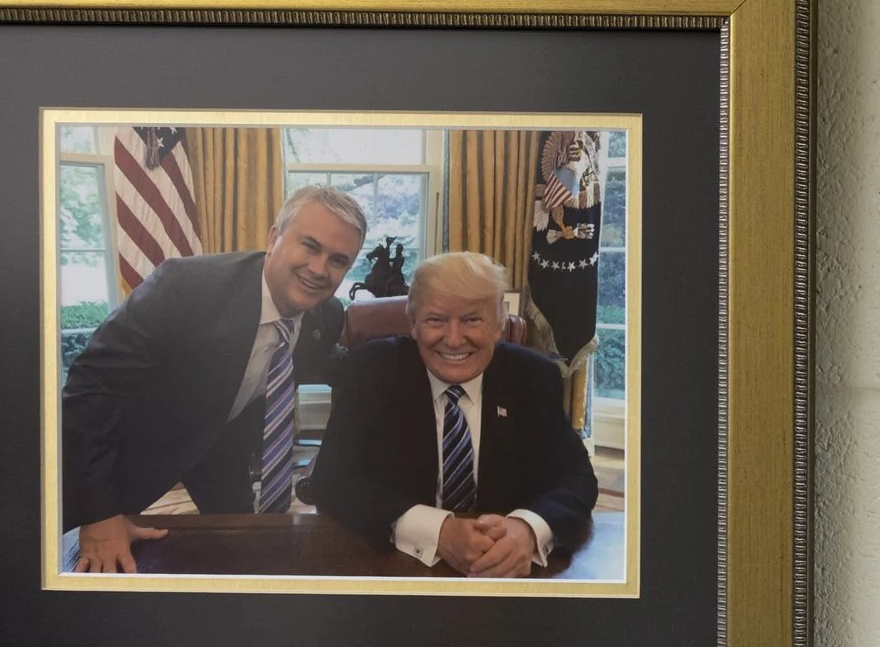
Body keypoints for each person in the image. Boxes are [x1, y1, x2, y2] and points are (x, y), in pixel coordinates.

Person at [62, 185, 363, 573]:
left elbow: (329, 364)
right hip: (104, 465)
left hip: (217, 458)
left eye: (338, 260)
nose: (320, 269)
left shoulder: (325, 316)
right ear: (274, 238)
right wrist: (98, 514)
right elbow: (90, 387)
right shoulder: (186, 287)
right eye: (310, 246)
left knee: (251, 555)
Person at [307, 250, 597, 578]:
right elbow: (333, 481)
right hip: (398, 569)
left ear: (499, 323)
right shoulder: (372, 371)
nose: (454, 340)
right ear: (413, 323)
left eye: (472, 319)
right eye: (436, 320)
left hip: (506, 574)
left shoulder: (533, 377)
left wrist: (527, 530)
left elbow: (577, 479)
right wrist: (437, 532)